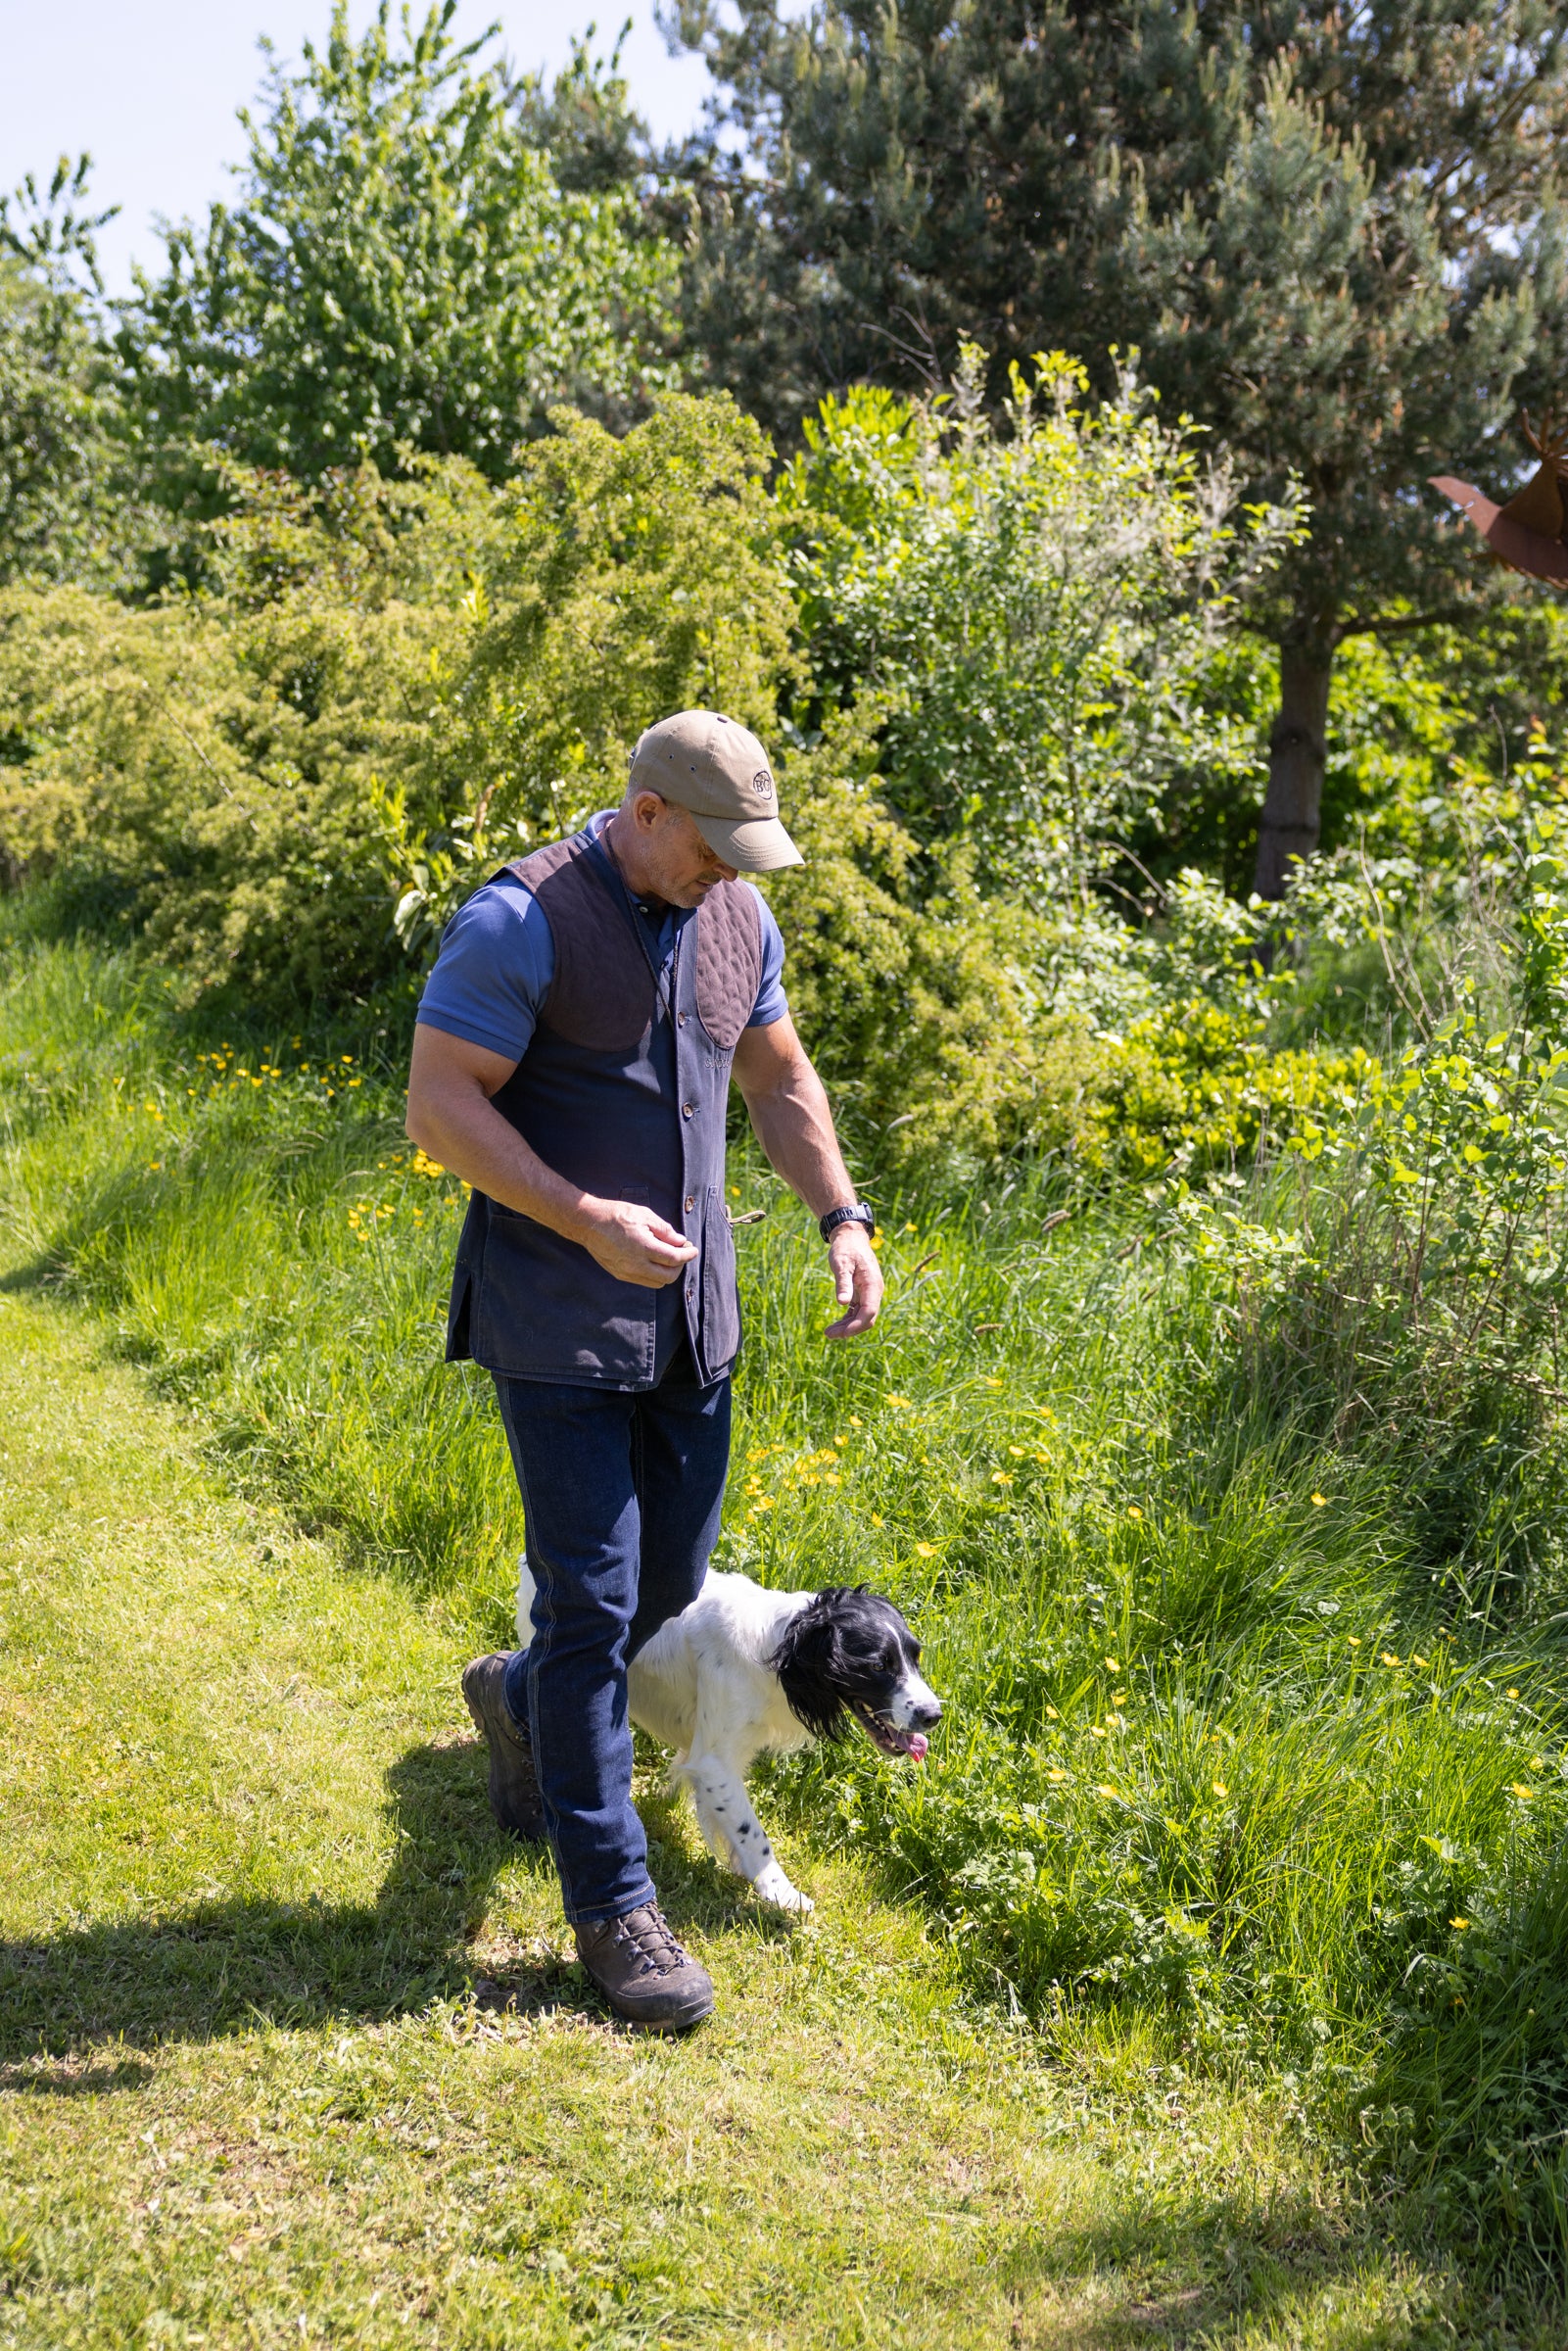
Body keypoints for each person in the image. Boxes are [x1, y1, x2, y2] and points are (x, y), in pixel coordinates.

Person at [404, 710, 883, 2031]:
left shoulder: (739, 920)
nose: (726, 872)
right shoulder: (521, 920)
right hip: (555, 1319)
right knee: (593, 1596)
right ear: (646, 808)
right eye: (711, 846)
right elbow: (439, 1103)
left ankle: (520, 1697)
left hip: (692, 1326)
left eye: (748, 852)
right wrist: (583, 1217)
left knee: (654, 1593)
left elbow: (778, 1078)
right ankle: (617, 1911)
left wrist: (841, 1217)